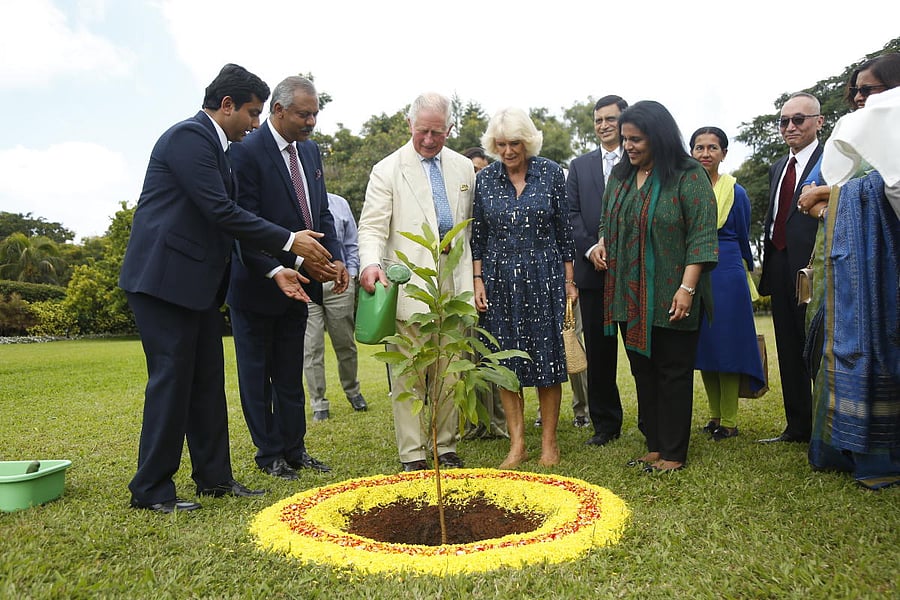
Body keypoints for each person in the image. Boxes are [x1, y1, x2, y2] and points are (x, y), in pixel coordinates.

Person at [119, 64, 332, 513]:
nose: (256, 124)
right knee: (172, 384)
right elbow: (221, 210)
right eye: (252, 113)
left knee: (207, 385)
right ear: (227, 105)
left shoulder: (219, 148)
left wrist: (281, 267)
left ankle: (214, 479)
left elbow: (233, 218)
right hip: (162, 283)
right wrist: (289, 241)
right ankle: (151, 489)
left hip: (196, 287)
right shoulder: (188, 138)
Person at [227, 75, 347, 481]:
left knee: (290, 371)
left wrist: (336, 259)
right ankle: (270, 455)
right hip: (258, 281)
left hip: (303, 286)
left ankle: (295, 450)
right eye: (303, 114)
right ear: (277, 110)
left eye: (315, 113)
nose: (311, 121)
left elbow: (321, 215)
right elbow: (243, 224)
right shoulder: (245, 152)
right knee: (258, 376)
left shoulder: (310, 154)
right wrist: (292, 264)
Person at [598, 100, 718, 473]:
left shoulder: (687, 174)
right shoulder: (619, 177)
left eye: (636, 140)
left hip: (672, 293)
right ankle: (654, 444)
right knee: (643, 372)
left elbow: (701, 235)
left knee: (673, 372)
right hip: (627, 296)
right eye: (625, 139)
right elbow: (607, 220)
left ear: (659, 137)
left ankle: (673, 453)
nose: (628, 146)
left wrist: (687, 288)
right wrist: (603, 241)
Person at [357, 92, 474, 472]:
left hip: (452, 283)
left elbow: (467, 230)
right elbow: (372, 227)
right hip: (407, 286)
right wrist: (370, 264)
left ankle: (446, 446)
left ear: (449, 129)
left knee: (450, 371)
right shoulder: (386, 169)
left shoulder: (463, 168)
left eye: (437, 132)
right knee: (409, 374)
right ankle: (413, 454)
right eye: (422, 130)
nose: (428, 139)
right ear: (410, 125)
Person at [804, 54, 900, 489]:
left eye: (870, 89)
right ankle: (846, 447)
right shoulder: (857, 135)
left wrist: (834, 195)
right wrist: (829, 201)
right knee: (845, 346)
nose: (859, 98)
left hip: (886, 270)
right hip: (851, 270)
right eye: (855, 91)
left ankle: (881, 456)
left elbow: (893, 186)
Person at [472, 106, 576, 469]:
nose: (508, 151)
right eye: (500, 144)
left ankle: (549, 442)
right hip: (499, 282)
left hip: (544, 276)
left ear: (527, 141)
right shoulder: (485, 180)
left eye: (514, 143)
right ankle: (518, 444)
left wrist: (568, 282)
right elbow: (479, 238)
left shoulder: (550, 173)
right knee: (506, 363)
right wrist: (477, 280)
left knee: (548, 361)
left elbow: (565, 234)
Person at [689, 126, 766, 440]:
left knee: (728, 345)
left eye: (712, 148)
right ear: (691, 151)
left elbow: (744, 236)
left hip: (728, 271)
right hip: (695, 270)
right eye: (699, 147)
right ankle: (714, 415)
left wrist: (746, 275)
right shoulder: (686, 188)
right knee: (705, 347)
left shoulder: (737, 191)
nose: (705, 153)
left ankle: (731, 421)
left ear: (723, 153)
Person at [757, 92, 824, 444]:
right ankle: (798, 427)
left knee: (816, 345)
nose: (790, 127)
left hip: (815, 268)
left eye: (799, 119)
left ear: (819, 121)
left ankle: (826, 428)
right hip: (779, 264)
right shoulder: (778, 167)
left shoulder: (833, 161)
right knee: (788, 346)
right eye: (784, 121)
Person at [567, 95, 628, 446]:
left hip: (634, 275)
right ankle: (605, 425)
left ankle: (652, 420)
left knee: (639, 353)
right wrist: (591, 248)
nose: (604, 125)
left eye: (610, 119)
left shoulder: (638, 160)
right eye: (598, 120)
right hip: (593, 276)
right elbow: (573, 215)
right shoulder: (580, 166)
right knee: (600, 356)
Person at [303, 192, 368, 422]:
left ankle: (353, 391)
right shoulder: (295, 200)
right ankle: (318, 402)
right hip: (307, 283)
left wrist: (351, 275)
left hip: (338, 282)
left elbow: (352, 243)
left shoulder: (339, 203)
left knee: (345, 344)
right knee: (311, 348)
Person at [461, 147, 508, 441]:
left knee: (493, 349)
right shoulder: (458, 202)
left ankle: (498, 421)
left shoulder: (494, 200)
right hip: (461, 278)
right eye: (472, 171)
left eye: (482, 170)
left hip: (491, 278)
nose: (478, 176)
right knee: (468, 353)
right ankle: (472, 422)